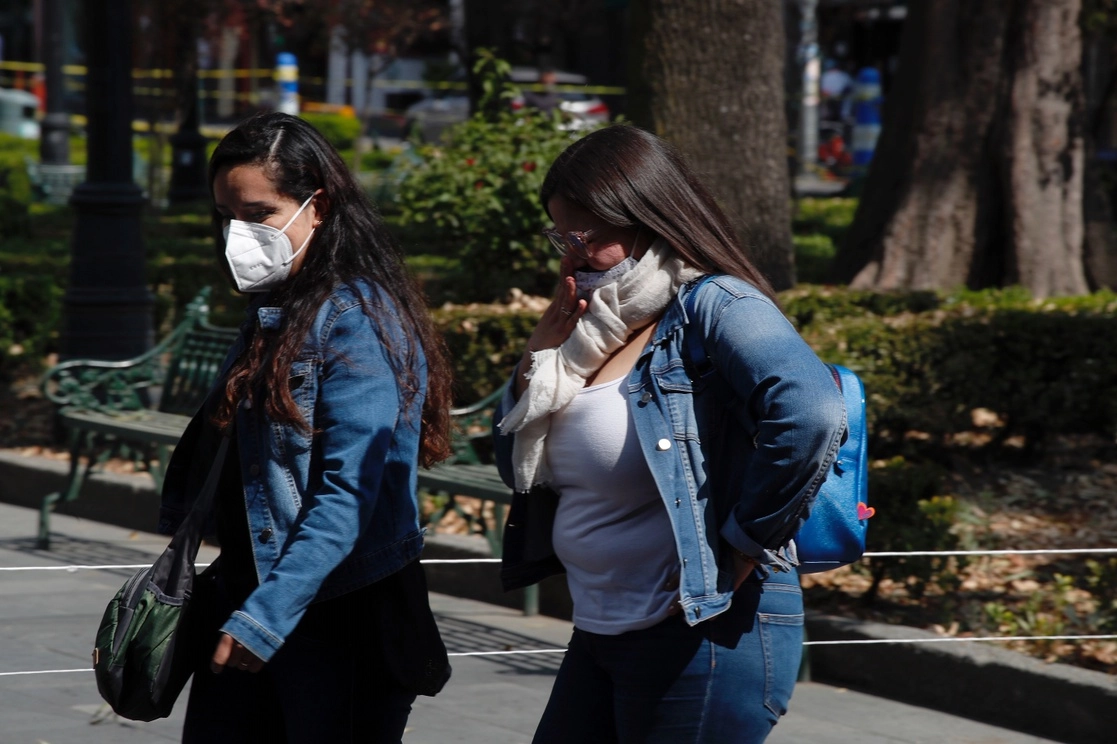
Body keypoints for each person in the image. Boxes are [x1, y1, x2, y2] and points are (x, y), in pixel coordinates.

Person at [492, 124, 847, 743]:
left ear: (646, 219)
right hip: (602, 625)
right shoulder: (593, 328)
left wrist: (745, 541)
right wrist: (537, 358)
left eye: (586, 237)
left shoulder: (716, 305)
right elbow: (514, 465)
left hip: (705, 628)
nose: (570, 255)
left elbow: (812, 411)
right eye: (561, 236)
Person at [157, 111, 453, 743]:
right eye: (226, 216)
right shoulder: (277, 308)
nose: (238, 233)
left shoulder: (355, 316)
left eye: (259, 214)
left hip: (339, 615)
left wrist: (264, 618)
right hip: (256, 596)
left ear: (316, 204)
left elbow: (347, 492)